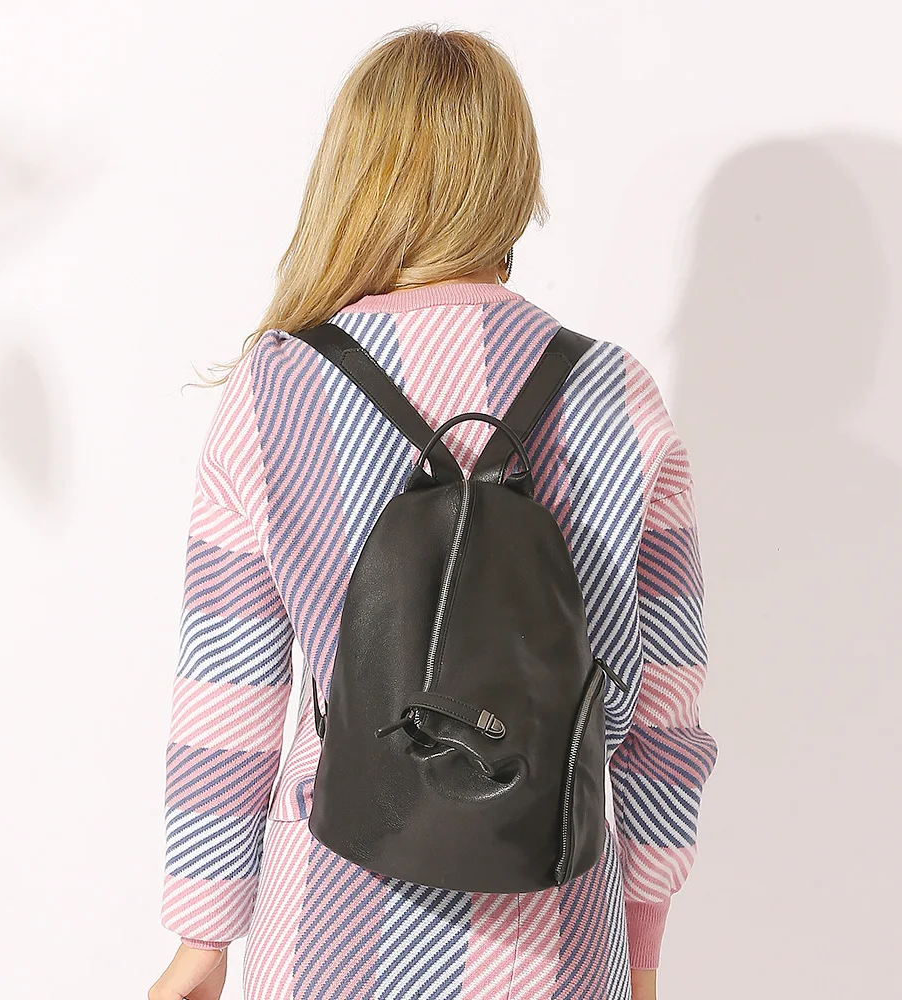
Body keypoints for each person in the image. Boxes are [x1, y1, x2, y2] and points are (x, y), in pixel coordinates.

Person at [148, 24, 716, 1000]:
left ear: (353, 175)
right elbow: (662, 707)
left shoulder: (277, 388)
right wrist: (643, 940)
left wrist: (203, 936)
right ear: (512, 175)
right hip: (556, 924)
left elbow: (227, 690)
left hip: (330, 920)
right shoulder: (613, 393)